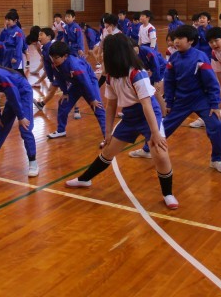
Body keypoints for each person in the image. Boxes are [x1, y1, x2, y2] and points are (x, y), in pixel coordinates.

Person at [66, 34, 179, 209]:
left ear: (115, 53)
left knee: (160, 154)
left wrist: (155, 133)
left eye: (104, 51)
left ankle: (168, 193)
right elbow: (111, 105)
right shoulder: (111, 76)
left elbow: (147, 105)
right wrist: (108, 132)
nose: (101, 54)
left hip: (148, 114)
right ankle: (84, 179)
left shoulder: (137, 73)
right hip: (129, 117)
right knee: (108, 151)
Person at [160, 25, 221, 172]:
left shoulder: (200, 57)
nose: (176, 41)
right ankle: (147, 149)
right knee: (162, 127)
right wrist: (169, 102)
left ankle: (216, 159)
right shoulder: (173, 58)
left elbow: (211, 82)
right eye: (175, 38)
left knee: (217, 125)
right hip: (181, 100)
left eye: (180, 38)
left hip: (200, 99)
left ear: (190, 41)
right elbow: (169, 82)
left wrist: (214, 105)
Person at [46, 41, 106, 141]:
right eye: (52, 57)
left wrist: (92, 99)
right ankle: (61, 130)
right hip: (76, 84)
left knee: (98, 107)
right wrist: (65, 92)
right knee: (63, 103)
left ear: (65, 56)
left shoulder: (75, 66)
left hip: (89, 82)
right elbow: (59, 78)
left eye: (56, 58)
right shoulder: (55, 64)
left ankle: (107, 136)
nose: (53, 60)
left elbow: (85, 81)